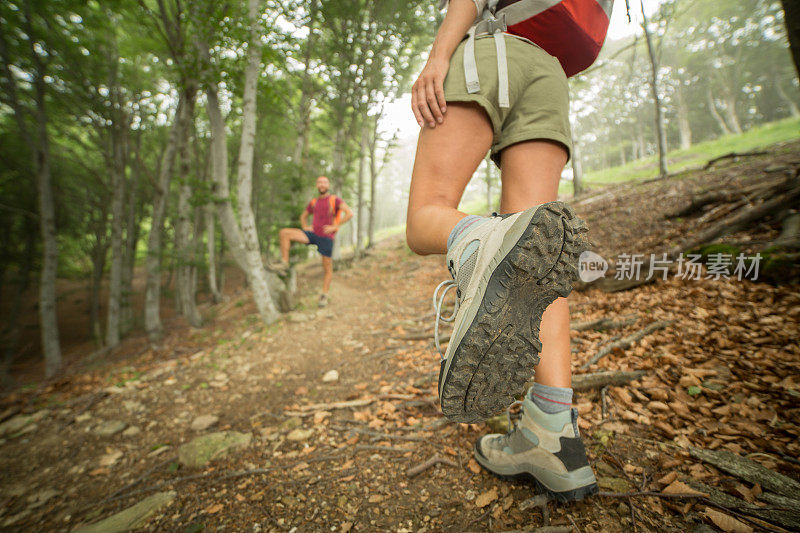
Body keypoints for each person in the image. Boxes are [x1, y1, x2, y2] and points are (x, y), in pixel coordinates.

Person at [405, 0, 597, 501]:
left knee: (427, 216)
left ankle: (483, 241)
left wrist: (439, 55)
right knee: (540, 264)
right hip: (548, 72)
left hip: (492, 52)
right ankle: (553, 434)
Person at [276, 175, 353, 307]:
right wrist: (305, 227)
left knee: (327, 267)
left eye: (324, 183)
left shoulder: (335, 200)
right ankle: (284, 263)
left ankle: (324, 295)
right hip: (312, 234)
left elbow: (349, 213)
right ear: (317, 185)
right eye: (319, 182)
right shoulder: (314, 202)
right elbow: (303, 216)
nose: (322, 185)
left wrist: (336, 226)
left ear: (328, 185)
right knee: (284, 233)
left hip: (326, 237)